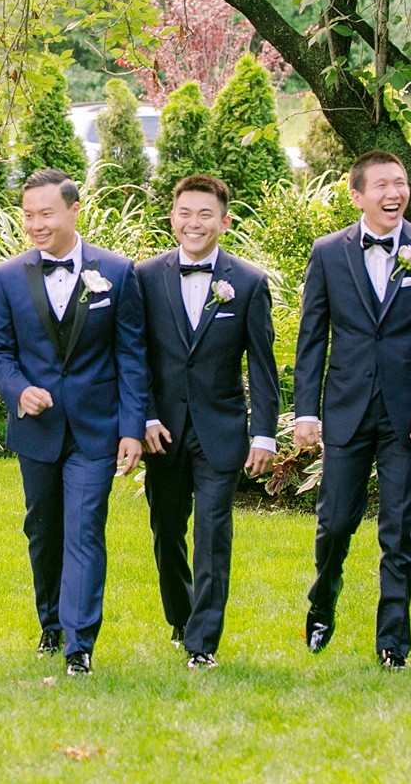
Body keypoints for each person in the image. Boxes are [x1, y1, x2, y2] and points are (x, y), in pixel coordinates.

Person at [291, 151, 411, 669]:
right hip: (347, 409)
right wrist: (305, 412)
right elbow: (311, 339)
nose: (394, 193)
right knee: (336, 522)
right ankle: (322, 602)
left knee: (398, 529)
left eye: (401, 183)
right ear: (357, 195)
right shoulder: (328, 253)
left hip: (408, 413)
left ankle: (393, 640)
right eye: (383, 185)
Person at [0, 169, 150, 676]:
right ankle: (50, 623)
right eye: (28, 215)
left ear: (75, 210)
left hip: (97, 427)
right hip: (38, 429)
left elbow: (132, 354)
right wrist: (17, 390)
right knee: (43, 530)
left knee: (84, 529)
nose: (35, 224)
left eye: (46, 214)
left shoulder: (117, 272)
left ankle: (80, 645)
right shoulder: (8, 276)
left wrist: (131, 427)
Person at [135, 174, 279, 670]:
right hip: (163, 432)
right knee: (166, 527)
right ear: (172, 217)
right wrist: (144, 417)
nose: (194, 223)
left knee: (214, 534)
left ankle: (202, 643)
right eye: (186, 213)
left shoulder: (249, 282)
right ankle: (180, 616)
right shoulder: (145, 276)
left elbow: (261, 365)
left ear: (224, 221)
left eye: (205, 214)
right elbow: (135, 356)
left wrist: (264, 433)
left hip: (221, 430)